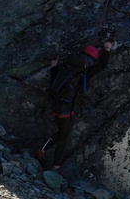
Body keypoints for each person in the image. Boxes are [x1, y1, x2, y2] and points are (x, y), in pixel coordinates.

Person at [36, 42, 112, 170]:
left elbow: (56, 76)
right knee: (64, 136)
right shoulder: (87, 69)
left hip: (57, 103)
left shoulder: (68, 64)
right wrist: (107, 50)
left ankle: (44, 151)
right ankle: (55, 165)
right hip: (67, 106)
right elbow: (103, 65)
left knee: (63, 133)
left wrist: (53, 67)